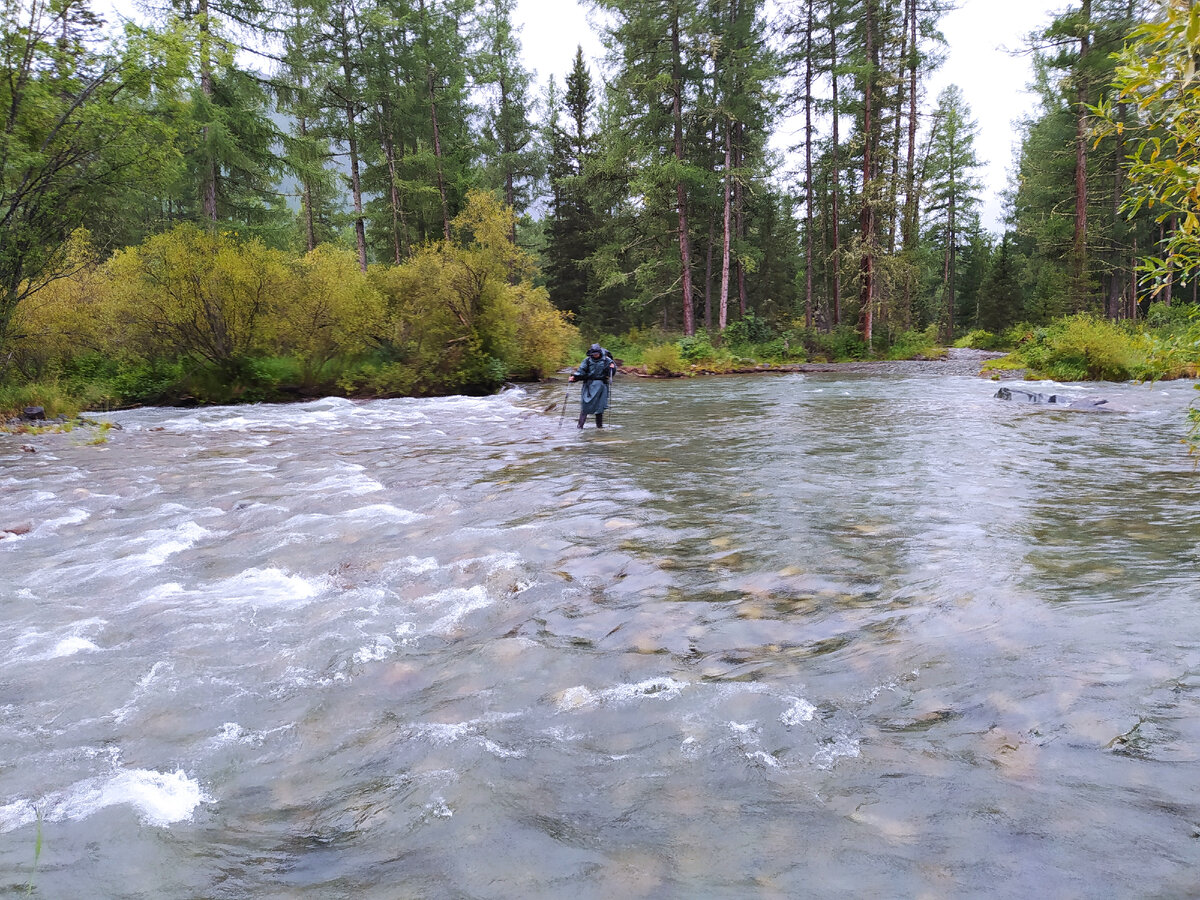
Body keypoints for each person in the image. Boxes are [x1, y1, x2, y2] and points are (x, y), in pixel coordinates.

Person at [569, 343, 615, 428]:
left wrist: (612, 367)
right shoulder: (587, 360)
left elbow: (611, 373)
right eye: (593, 354)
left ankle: (599, 428)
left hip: (601, 386)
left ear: (600, 353)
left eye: (597, 354)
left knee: (599, 407)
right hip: (589, 385)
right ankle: (580, 426)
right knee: (585, 405)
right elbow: (581, 371)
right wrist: (574, 377)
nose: (595, 355)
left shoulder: (606, 360)